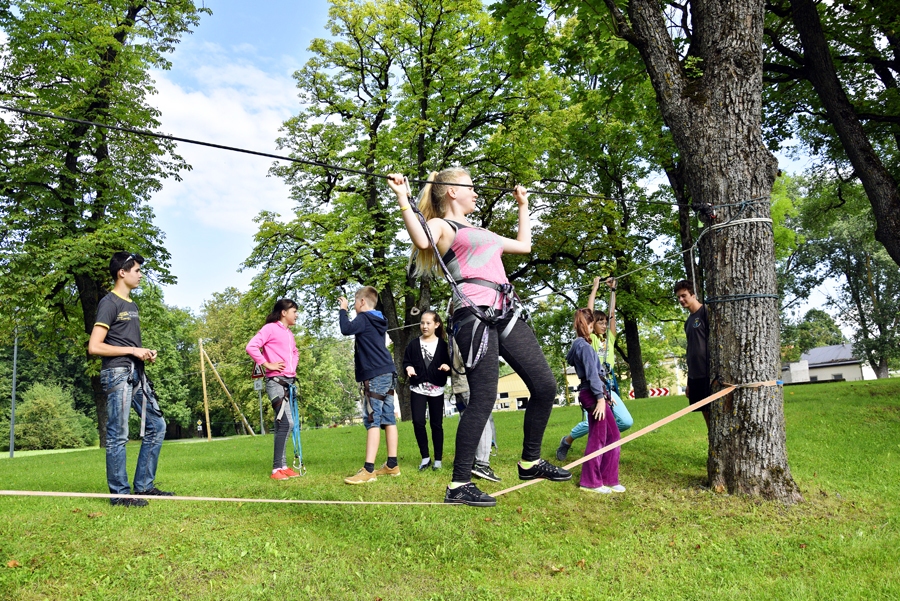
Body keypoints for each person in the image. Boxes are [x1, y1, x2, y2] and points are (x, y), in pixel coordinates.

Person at [390, 168, 571, 507]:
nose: (476, 192)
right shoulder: (443, 226)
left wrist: (523, 205)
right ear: (452, 192)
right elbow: (422, 240)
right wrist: (403, 198)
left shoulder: (482, 231)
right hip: (473, 314)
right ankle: (459, 485)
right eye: (470, 187)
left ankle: (530, 462)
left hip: (506, 311)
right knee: (484, 398)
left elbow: (524, 245)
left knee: (545, 386)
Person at [88, 252, 172, 507]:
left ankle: (144, 486)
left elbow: (126, 344)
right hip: (117, 374)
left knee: (157, 426)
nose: (140, 275)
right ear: (121, 273)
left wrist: (144, 353)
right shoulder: (109, 303)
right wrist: (133, 350)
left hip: (136, 374)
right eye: (136, 270)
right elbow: (95, 346)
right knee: (118, 434)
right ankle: (120, 494)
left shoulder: (132, 306)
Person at [557, 276, 632, 461]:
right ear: (591, 325)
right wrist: (595, 288)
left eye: (605, 322)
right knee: (589, 423)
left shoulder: (610, 339)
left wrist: (613, 290)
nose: (604, 325)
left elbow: (612, 312)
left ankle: (603, 439)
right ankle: (567, 440)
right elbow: (588, 313)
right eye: (600, 322)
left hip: (608, 386)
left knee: (625, 421)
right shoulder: (591, 341)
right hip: (592, 387)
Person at [339, 286, 400, 484]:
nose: (354, 306)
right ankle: (392, 465)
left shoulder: (364, 318)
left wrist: (343, 309)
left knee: (373, 419)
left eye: (355, 302)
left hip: (375, 374)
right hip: (388, 370)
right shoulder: (379, 319)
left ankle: (369, 470)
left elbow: (346, 329)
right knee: (388, 418)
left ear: (362, 302)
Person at [566, 308, 625, 494]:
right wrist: (600, 399)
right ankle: (590, 482)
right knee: (598, 438)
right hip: (592, 394)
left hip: (596, 392)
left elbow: (592, 374)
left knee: (612, 436)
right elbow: (592, 375)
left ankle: (608, 478)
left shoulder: (580, 344)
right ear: (589, 324)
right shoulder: (584, 346)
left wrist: (606, 395)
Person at [245, 299, 301, 480]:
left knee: (283, 424)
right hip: (276, 383)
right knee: (286, 423)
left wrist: (292, 367)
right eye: (294, 311)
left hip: (288, 382)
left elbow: (295, 352)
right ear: (284, 312)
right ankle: (276, 469)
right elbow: (251, 346)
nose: (296, 315)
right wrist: (267, 364)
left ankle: (283, 466)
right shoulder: (270, 328)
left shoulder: (289, 333)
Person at [402, 310, 451, 471]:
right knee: (418, 422)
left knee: (436, 424)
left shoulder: (443, 345)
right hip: (418, 388)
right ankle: (425, 457)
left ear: (436, 325)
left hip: (437, 389)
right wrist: (408, 368)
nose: (424, 326)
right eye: (422, 323)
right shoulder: (413, 344)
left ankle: (438, 459)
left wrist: (447, 367)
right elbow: (406, 362)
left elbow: (451, 364)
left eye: (428, 323)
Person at [450, 334, 501, 483]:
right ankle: (482, 464)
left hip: (460, 385)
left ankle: (467, 462)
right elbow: (467, 358)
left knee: (467, 422)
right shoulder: (467, 330)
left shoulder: (455, 330)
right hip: (468, 384)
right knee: (481, 420)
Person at [675, 280, 711, 432]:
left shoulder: (706, 312)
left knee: (713, 409)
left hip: (709, 372)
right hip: (695, 374)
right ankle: (712, 438)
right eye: (678, 297)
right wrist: (689, 381)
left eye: (684, 295)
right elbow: (690, 349)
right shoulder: (688, 322)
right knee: (704, 410)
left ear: (693, 295)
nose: (681, 299)